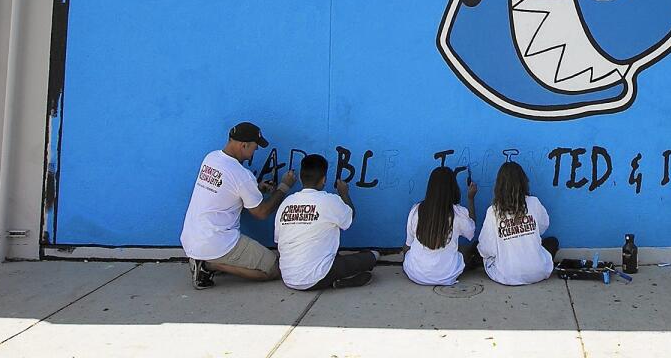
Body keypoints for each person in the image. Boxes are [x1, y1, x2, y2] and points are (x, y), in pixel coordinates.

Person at [180, 122, 294, 290]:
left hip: (192, 236)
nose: (254, 152)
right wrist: (285, 186)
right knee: (274, 269)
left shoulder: (211, 158)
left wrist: (256, 188)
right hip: (217, 241)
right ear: (244, 145)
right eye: (255, 147)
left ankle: (205, 259)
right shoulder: (242, 175)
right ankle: (208, 265)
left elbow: (226, 189)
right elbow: (261, 213)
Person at [274, 153, 378, 290]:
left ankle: (334, 280)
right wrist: (344, 194)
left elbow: (278, 241)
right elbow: (349, 218)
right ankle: (336, 282)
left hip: (288, 278)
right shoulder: (330, 200)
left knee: (332, 254)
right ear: (323, 180)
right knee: (374, 256)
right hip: (317, 277)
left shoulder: (286, 203)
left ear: (300, 178)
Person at [477, 161, 558, 285]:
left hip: (508, 275)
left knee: (480, 250)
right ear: (523, 182)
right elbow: (543, 226)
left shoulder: (493, 211)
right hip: (538, 272)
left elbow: (486, 248)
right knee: (552, 242)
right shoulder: (534, 202)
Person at [402, 166, 478, 286]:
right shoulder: (457, 213)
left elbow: (407, 246)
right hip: (446, 275)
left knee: (459, 249)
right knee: (467, 250)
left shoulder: (416, 210)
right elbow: (471, 232)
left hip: (415, 274)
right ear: (453, 188)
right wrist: (471, 199)